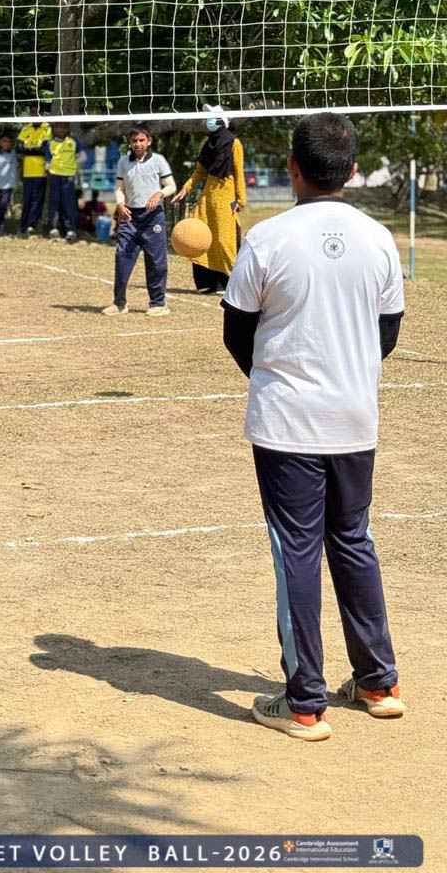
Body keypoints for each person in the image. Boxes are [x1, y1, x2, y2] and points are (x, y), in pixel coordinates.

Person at [223, 112, 406, 742]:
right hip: (355, 418)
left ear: (294, 169)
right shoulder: (380, 238)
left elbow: (236, 331)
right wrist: (342, 372)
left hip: (288, 425)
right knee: (353, 539)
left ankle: (305, 702)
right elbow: (387, 332)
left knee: (296, 550)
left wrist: (283, 377)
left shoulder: (269, 239)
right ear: (352, 170)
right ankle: (378, 683)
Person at [172, 106, 247, 292]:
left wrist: (241, 199)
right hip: (207, 195)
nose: (208, 121)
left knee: (224, 240)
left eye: (212, 118)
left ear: (222, 121)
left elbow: (239, 172)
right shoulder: (207, 144)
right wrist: (186, 188)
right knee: (201, 237)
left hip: (226, 195)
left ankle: (230, 282)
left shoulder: (234, 143)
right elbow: (199, 171)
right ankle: (206, 283)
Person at [104, 125, 175, 317]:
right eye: (134, 140)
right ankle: (119, 303)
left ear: (149, 141)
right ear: (130, 142)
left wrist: (159, 193)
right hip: (130, 216)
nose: (138, 144)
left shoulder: (158, 161)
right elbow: (119, 188)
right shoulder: (123, 162)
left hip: (153, 217)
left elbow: (171, 186)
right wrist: (120, 204)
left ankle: (158, 304)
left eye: (142, 140)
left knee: (156, 261)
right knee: (122, 257)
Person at [17, 113, 51, 237]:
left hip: (41, 170)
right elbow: (19, 148)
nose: (34, 115)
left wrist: (28, 149)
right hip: (27, 170)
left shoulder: (47, 128)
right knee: (27, 199)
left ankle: (32, 225)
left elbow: (45, 149)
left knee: (37, 200)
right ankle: (23, 225)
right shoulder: (26, 128)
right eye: (32, 112)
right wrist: (35, 149)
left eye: (37, 112)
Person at [46, 122, 79, 243]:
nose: (60, 129)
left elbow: (81, 156)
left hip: (69, 177)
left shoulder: (73, 142)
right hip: (54, 176)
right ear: (54, 129)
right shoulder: (50, 144)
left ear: (67, 129)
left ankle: (71, 230)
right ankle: (54, 229)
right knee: (54, 203)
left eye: (63, 127)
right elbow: (48, 160)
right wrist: (48, 172)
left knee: (69, 204)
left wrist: (77, 171)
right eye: (57, 127)